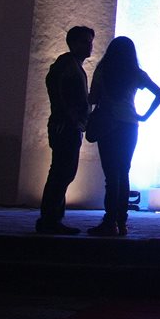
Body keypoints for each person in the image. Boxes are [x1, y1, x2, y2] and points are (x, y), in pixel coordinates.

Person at [86, 37, 160, 237]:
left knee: (111, 175)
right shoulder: (134, 73)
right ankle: (122, 221)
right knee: (124, 171)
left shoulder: (103, 71)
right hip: (129, 125)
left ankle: (109, 220)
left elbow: (93, 98)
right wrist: (144, 116)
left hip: (107, 124)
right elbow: (159, 94)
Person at [36, 26, 94, 235]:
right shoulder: (67, 64)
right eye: (86, 42)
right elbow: (58, 90)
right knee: (62, 171)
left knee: (64, 172)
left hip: (71, 124)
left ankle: (52, 217)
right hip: (66, 125)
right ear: (75, 43)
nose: (90, 46)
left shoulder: (72, 65)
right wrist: (68, 114)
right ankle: (50, 218)